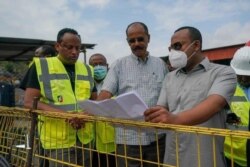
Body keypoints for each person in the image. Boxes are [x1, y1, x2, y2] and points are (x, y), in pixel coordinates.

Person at [144, 26, 237, 167]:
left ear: (196, 45)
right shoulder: (170, 77)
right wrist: (150, 114)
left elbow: (214, 104)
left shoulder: (223, 73)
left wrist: (174, 119)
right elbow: (161, 107)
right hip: (171, 157)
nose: (173, 52)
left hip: (204, 159)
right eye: (171, 49)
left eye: (178, 46)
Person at [22, 28, 97, 167]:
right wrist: (68, 116)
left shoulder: (87, 70)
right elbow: (29, 102)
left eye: (77, 48)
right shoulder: (40, 66)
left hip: (85, 139)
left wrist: (85, 115)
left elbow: (94, 100)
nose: (74, 52)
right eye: (69, 47)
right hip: (57, 141)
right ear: (57, 46)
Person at [97, 22, 168, 167]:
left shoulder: (160, 64)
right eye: (132, 41)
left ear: (148, 38)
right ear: (127, 42)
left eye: (140, 39)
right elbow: (105, 93)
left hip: (157, 136)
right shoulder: (119, 65)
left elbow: (167, 94)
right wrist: (85, 113)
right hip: (128, 137)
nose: (136, 44)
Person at [224, 44, 250, 167]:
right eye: (241, 75)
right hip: (233, 156)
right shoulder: (227, 87)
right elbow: (226, 114)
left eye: (248, 76)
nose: (244, 79)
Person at [88, 53, 116, 167]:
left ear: (107, 65)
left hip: (109, 139)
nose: (98, 67)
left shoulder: (114, 82)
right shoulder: (87, 83)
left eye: (101, 64)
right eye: (94, 65)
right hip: (90, 138)